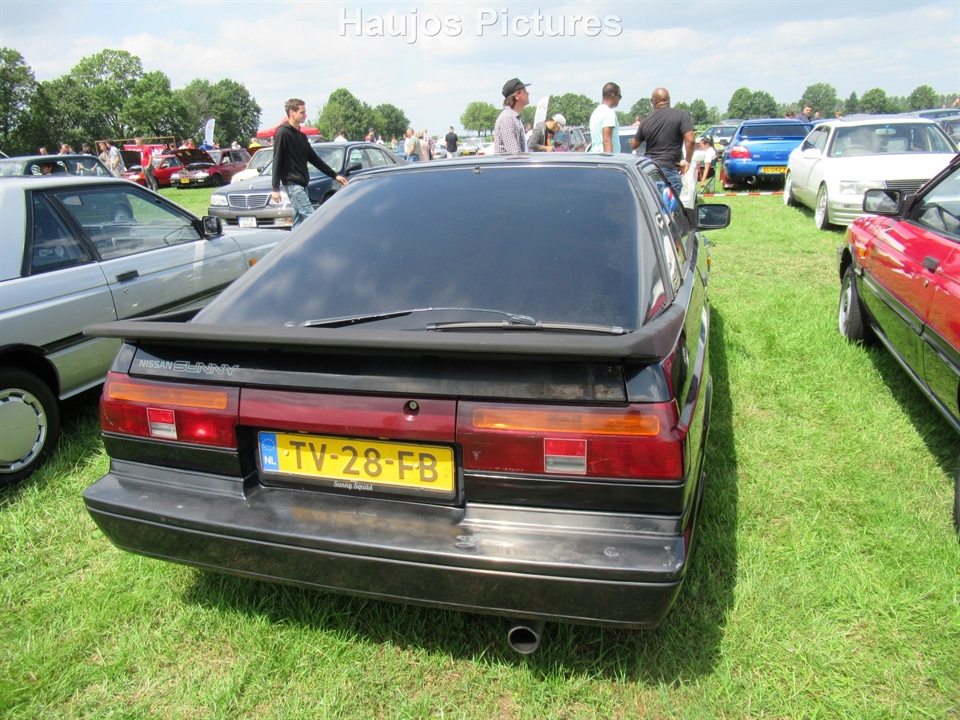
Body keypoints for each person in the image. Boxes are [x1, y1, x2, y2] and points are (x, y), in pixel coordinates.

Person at [271, 98, 347, 229]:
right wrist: (275, 188)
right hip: (292, 184)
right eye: (302, 112)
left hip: (303, 184)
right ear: (292, 112)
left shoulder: (301, 136)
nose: (305, 115)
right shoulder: (282, 133)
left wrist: (334, 175)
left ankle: (294, 242)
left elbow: (314, 159)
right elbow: (277, 159)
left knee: (299, 224)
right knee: (313, 220)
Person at [630, 87, 695, 196]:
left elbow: (635, 145)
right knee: (670, 206)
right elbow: (691, 140)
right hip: (670, 170)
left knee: (651, 205)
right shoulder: (681, 116)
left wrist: (632, 141)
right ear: (668, 100)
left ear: (654, 102)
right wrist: (687, 162)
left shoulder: (646, 121)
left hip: (650, 171)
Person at [493, 78, 530, 154]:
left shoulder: (513, 118)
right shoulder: (507, 119)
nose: (528, 93)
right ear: (517, 96)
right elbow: (515, 155)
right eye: (525, 91)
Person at [588, 82, 621, 153]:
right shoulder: (609, 113)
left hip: (595, 156)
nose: (619, 99)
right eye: (619, 97)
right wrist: (610, 159)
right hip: (606, 158)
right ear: (613, 96)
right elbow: (606, 141)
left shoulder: (595, 113)